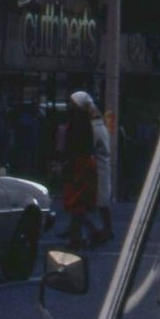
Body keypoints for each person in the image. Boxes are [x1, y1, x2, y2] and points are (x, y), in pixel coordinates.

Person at [55, 98, 102, 249]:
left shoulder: (77, 124)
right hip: (81, 164)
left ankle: (78, 236)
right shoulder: (84, 122)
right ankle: (87, 233)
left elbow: (73, 146)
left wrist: (66, 162)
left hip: (79, 165)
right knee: (78, 203)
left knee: (76, 203)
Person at [70, 92, 115, 246]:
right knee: (99, 203)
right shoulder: (98, 122)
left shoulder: (93, 126)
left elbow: (88, 147)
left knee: (81, 202)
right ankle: (103, 230)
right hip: (97, 168)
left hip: (94, 169)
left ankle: (95, 231)